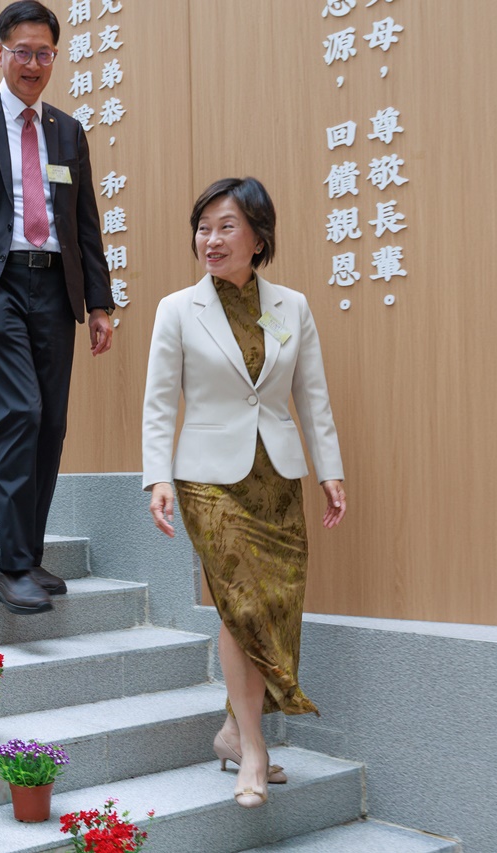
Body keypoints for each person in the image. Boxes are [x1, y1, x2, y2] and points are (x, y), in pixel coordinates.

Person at [142, 177, 347, 808]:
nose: (211, 239)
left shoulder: (293, 306)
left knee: (274, 607)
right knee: (240, 604)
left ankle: (233, 730)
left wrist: (329, 469)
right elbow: (160, 401)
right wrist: (157, 476)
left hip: (277, 477)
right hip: (207, 479)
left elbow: (311, 394)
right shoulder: (178, 309)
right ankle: (254, 750)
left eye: (226, 227)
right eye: (203, 228)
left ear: (259, 237)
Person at [0, 0, 113, 616]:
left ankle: (29, 555)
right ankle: (10, 566)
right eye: (22, 52)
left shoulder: (67, 131)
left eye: (44, 53)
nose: (33, 64)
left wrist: (100, 302)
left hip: (56, 286)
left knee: (51, 421)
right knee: (21, 412)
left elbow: (85, 223)